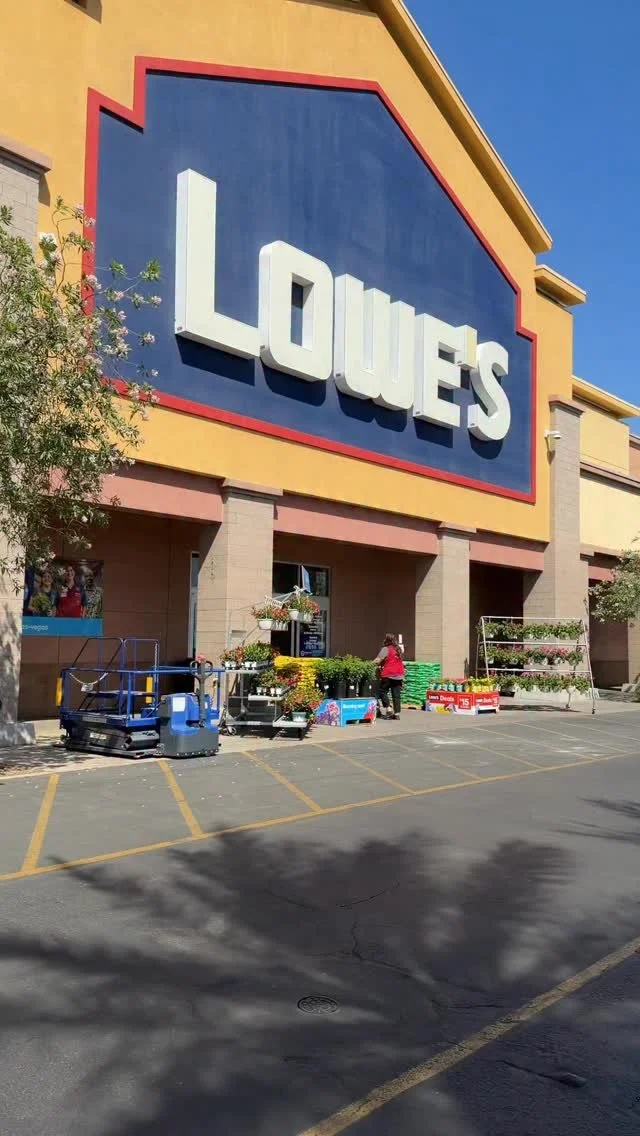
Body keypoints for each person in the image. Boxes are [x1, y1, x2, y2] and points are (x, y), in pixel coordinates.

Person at [373, 633, 405, 720]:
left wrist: (369, 665)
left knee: (382, 691)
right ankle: (397, 714)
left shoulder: (386, 649)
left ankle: (388, 708)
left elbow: (377, 661)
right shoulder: (398, 649)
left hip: (389, 674)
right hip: (399, 674)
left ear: (387, 640)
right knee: (396, 695)